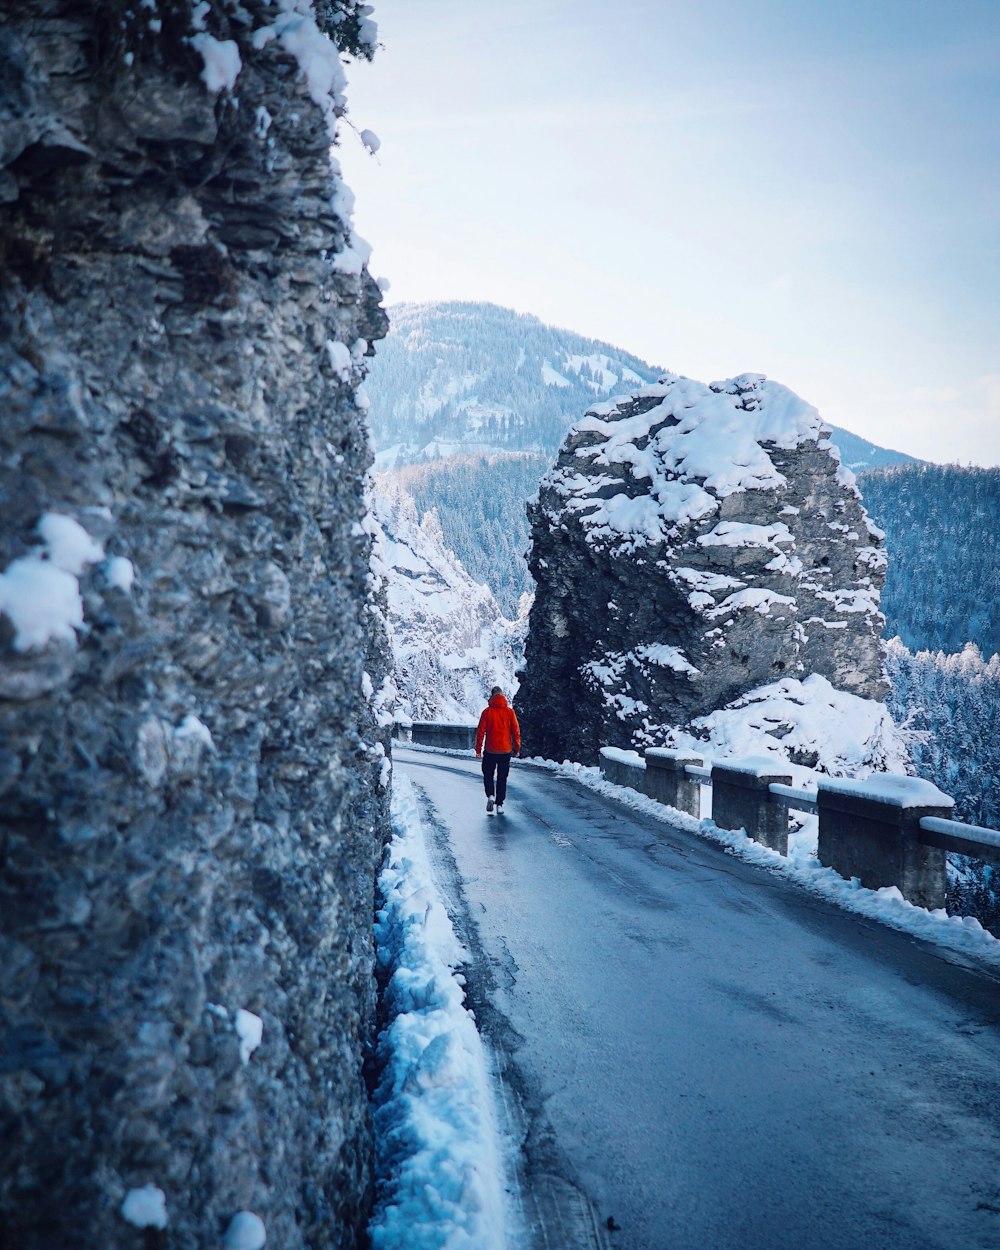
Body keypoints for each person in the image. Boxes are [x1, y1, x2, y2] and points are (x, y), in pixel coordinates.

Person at [475, 686, 521, 814]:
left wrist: (478, 749)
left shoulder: (487, 712)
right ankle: (499, 804)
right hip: (505, 751)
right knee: (502, 777)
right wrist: (516, 748)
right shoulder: (509, 712)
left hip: (490, 751)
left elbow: (480, 732)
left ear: (492, 696)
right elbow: (516, 732)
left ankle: (490, 795)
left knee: (488, 774)